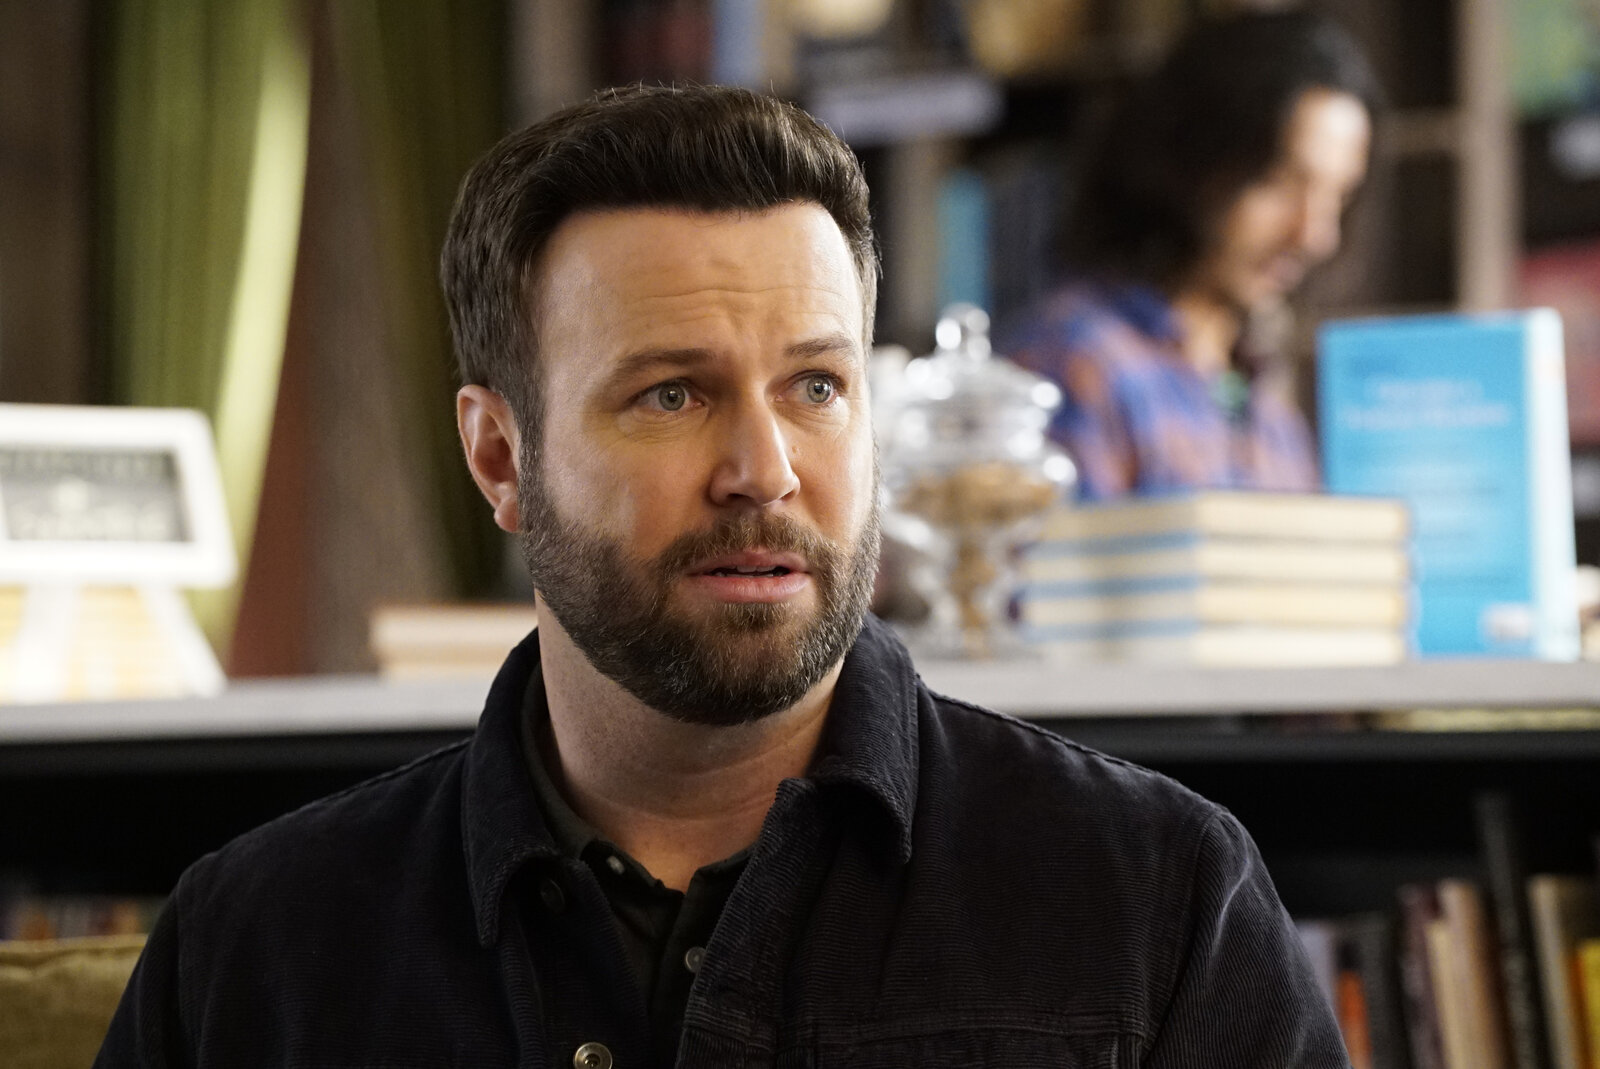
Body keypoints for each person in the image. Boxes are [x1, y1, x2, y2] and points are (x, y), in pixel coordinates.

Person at [96, 84, 1346, 1067]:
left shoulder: (1155, 900)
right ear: (499, 456)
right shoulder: (255, 950)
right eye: (670, 395)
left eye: (816, 386)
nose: (764, 470)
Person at [1000, 11, 1380, 500]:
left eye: (1339, 196)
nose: (1315, 235)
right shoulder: (1077, 363)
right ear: (1193, 160)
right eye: (1279, 182)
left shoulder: (1267, 406)